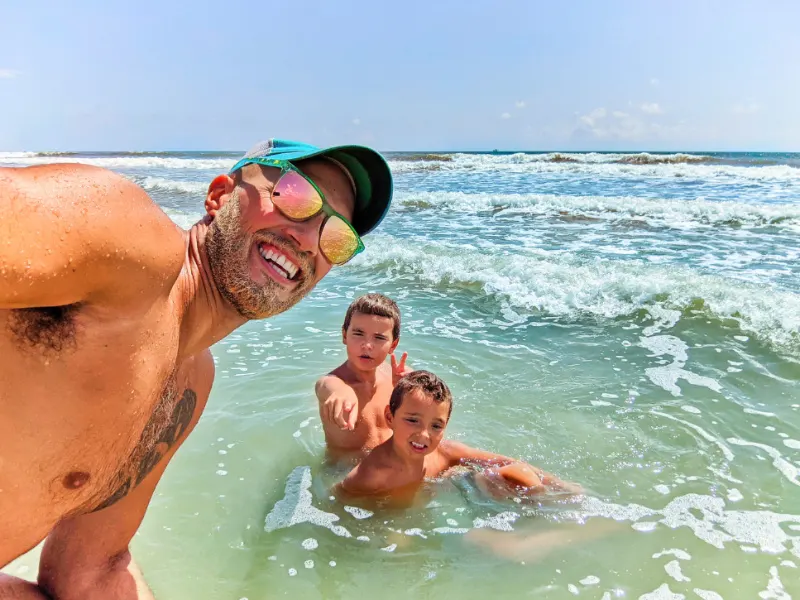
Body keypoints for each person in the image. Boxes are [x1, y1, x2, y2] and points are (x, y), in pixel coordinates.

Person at [0, 138, 393, 599]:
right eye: (295, 194)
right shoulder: (125, 236)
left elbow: (91, 570)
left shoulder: (189, 383)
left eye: (336, 236)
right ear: (220, 195)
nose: (308, 240)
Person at [338, 370, 581, 505]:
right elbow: (337, 504)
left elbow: (507, 461)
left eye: (436, 425)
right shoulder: (372, 474)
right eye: (412, 420)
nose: (424, 435)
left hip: (463, 486)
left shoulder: (445, 452)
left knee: (520, 474)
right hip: (411, 504)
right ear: (389, 417)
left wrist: (564, 487)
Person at [315, 293, 413, 460]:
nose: (367, 345)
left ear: (393, 345)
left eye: (379, 338)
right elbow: (328, 387)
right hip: (347, 475)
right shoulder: (333, 383)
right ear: (344, 335)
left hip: (394, 465)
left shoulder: (400, 379)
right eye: (358, 334)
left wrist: (409, 395)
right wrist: (342, 392)